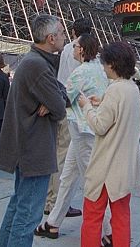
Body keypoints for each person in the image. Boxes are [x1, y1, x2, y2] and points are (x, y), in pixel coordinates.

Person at [0, 14, 68, 247]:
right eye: (61, 33)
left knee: (18, 207)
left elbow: (61, 94)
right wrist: (55, 100)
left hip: (27, 146)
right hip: (33, 149)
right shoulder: (38, 66)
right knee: (28, 216)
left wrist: (56, 98)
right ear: (51, 38)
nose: (64, 36)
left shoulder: (36, 62)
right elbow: (59, 107)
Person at [35, 34, 113, 244]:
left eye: (75, 46)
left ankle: (108, 229)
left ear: (81, 50)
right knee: (68, 177)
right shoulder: (101, 69)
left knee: (92, 180)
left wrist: (47, 105)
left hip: (82, 129)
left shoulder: (80, 72)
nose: (72, 49)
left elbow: (63, 97)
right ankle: (53, 222)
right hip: (92, 129)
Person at [78, 41, 140, 247]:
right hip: (124, 168)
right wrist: (102, 102)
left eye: (104, 63)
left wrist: (87, 106)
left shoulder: (115, 91)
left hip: (106, 167)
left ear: (112, 64)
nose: (103, 67)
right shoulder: (132, 88)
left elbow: (99, 126)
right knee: (121, 218)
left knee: (92, 216)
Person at [46, 18, 92, 217]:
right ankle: (54, 202)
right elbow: (76, 82)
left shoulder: (65, 49)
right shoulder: (78, 49)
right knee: (63, 155)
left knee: (59, 152)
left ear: (73, 31)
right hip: (70, 105)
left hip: (61, 101)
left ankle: (51, 199)